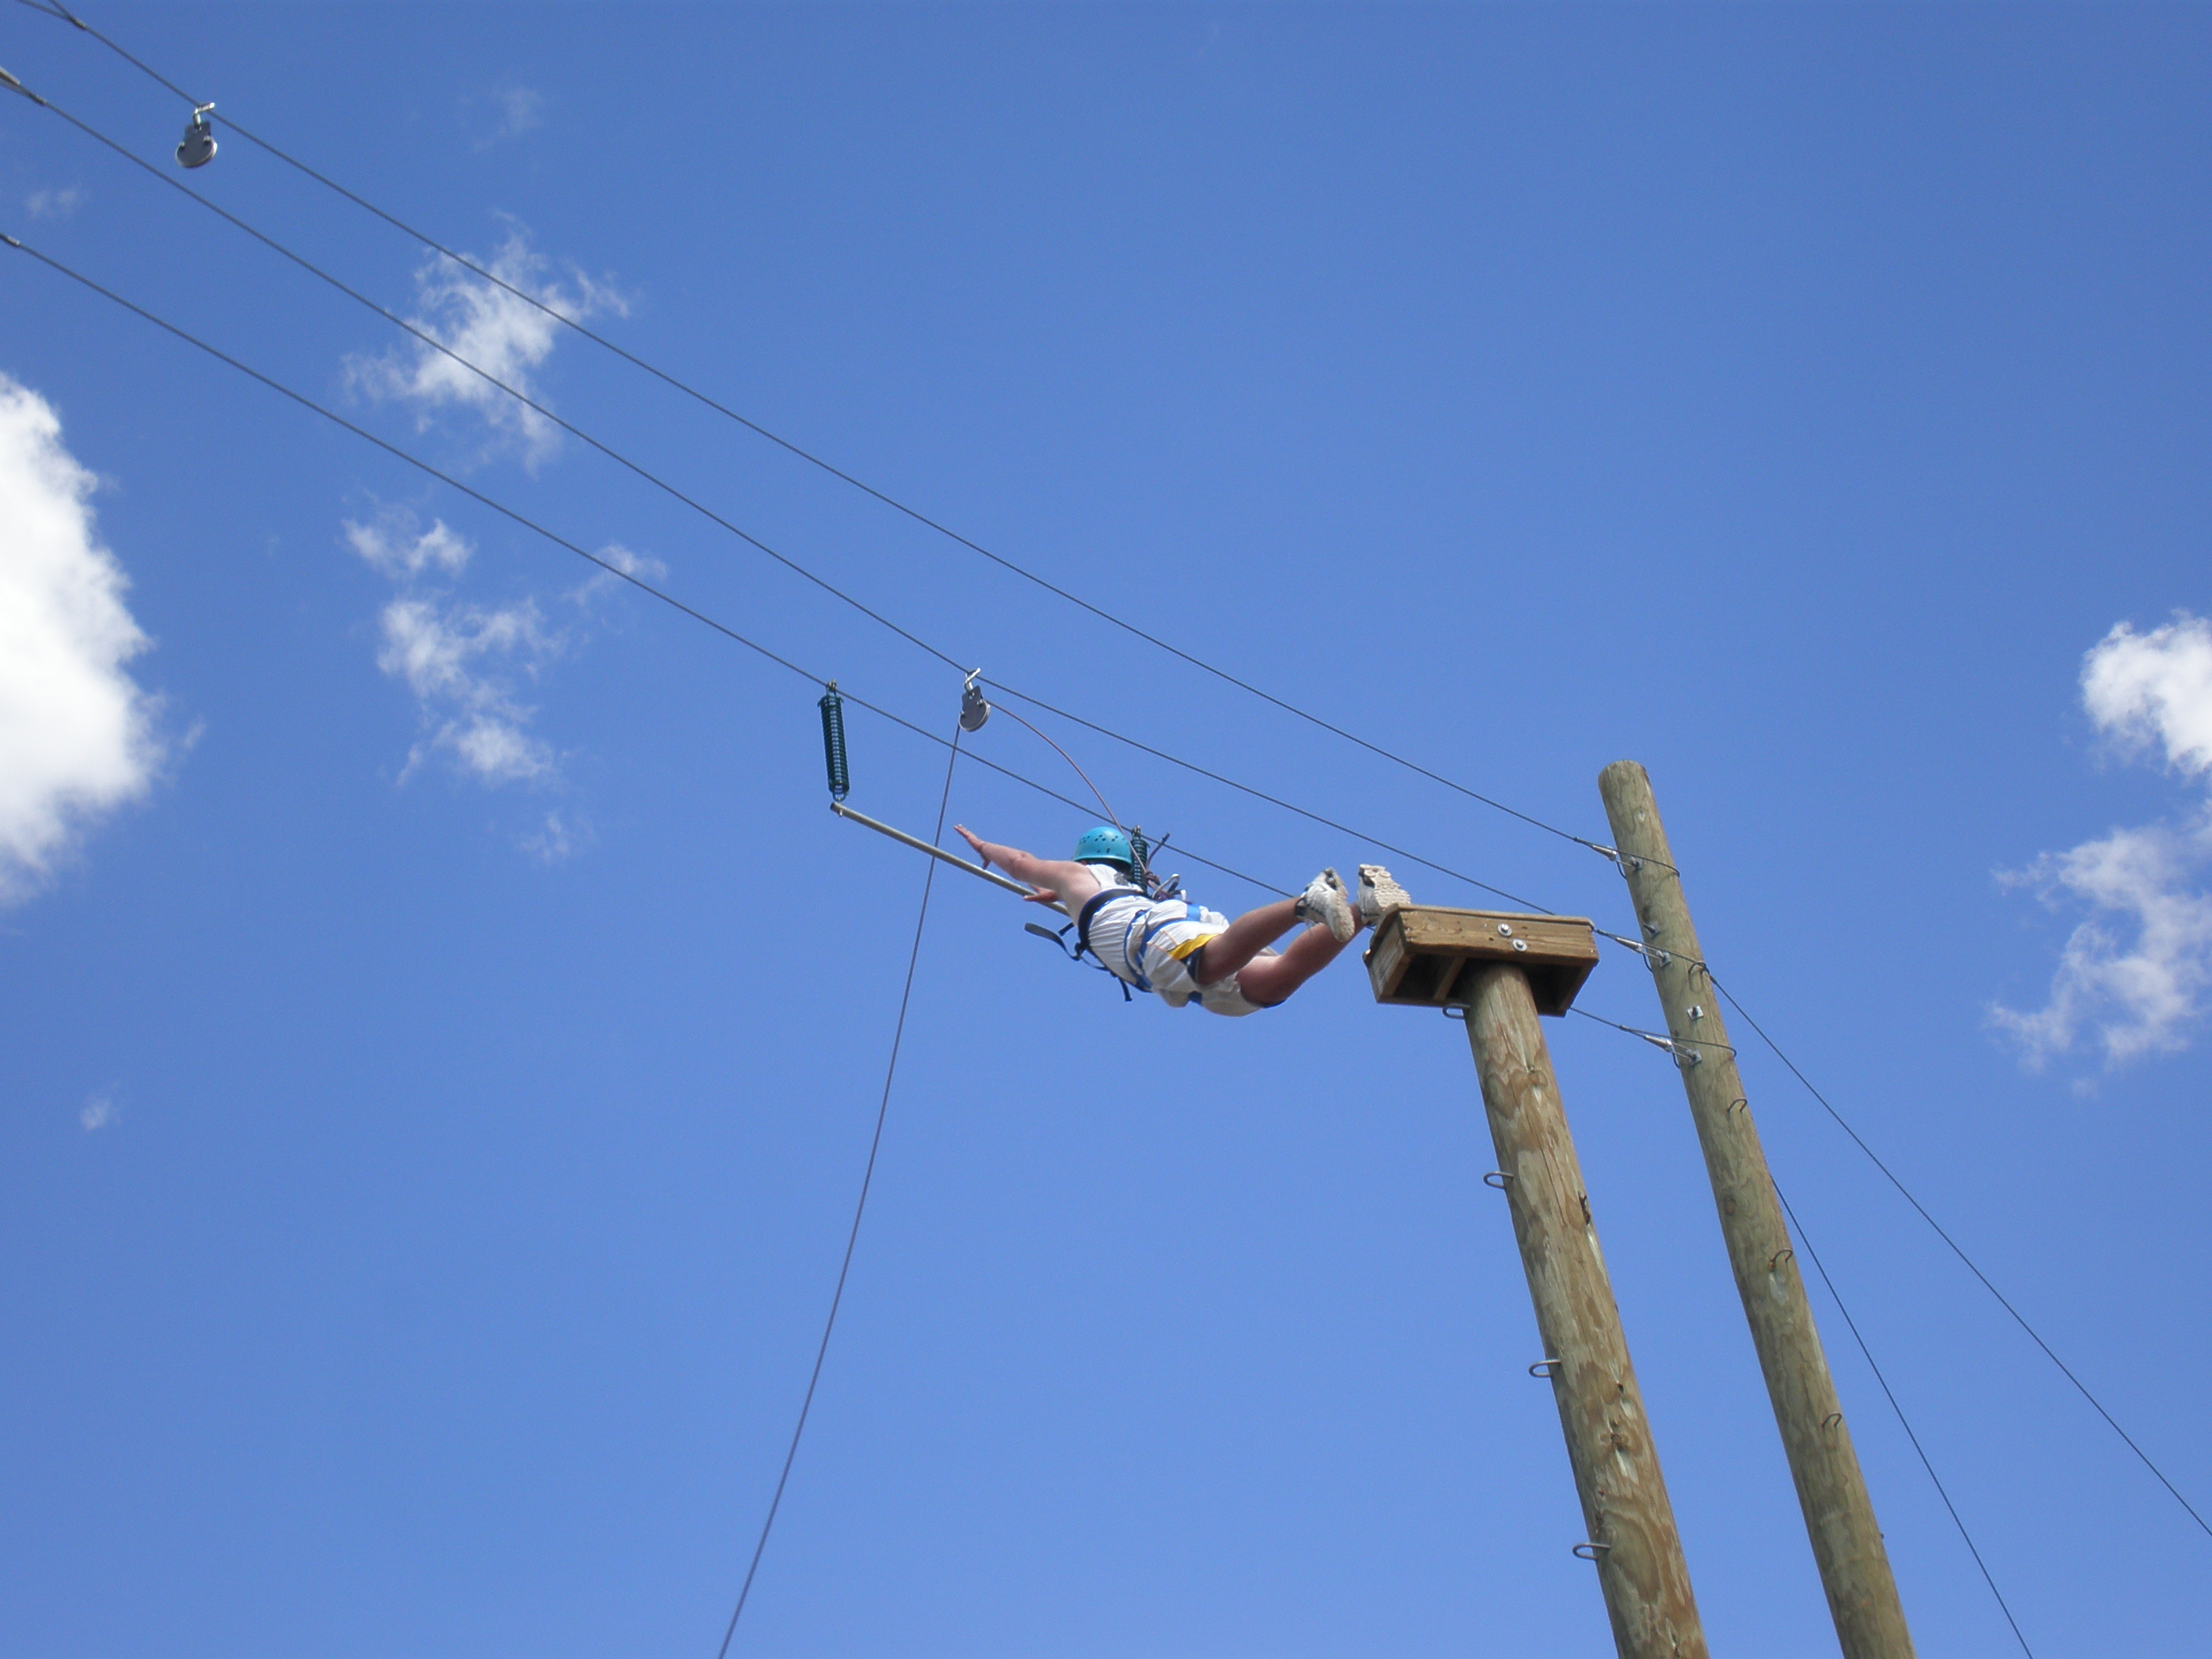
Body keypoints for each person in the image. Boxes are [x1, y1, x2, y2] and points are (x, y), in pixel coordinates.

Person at [954, 823, 1410, 1016]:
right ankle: (1363, 909)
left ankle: (1305, 903)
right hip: (1177, 929)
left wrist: (985, 849)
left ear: (1083, 859)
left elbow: (1021, 862)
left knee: (1212, 964)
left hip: (1157, 943)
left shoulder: (1073, 877)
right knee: (1275, 982)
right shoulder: (1109, 891)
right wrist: (1061, 895)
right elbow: (1096, 900)